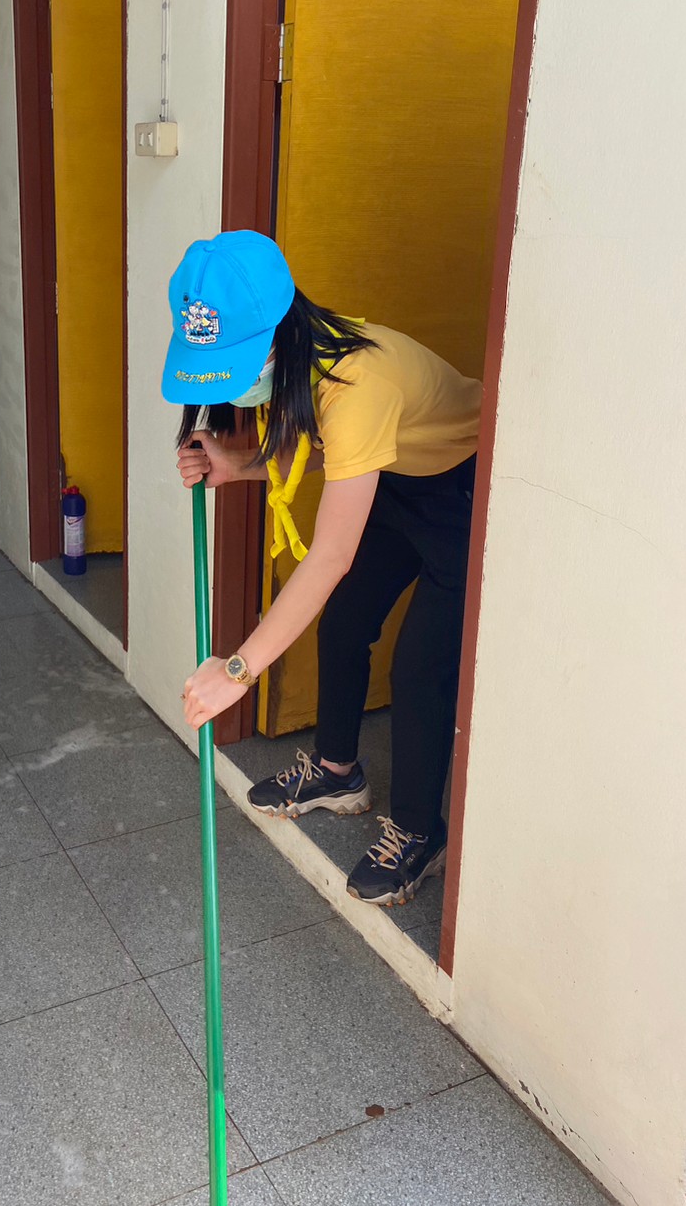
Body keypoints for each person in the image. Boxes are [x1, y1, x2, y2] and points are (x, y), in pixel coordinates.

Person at [164, 231, 480, 907]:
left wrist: (236, 670)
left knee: (419, 668)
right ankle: (339, 773)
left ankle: (420, 832)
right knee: (345, 623)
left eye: (235, 365)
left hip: (462, 492)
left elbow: (330, 555)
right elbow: (320, 449)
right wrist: (235, 464)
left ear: (277, 334)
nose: (235, 386)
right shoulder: (305, 355)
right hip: (398, 478)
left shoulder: (357, 384)